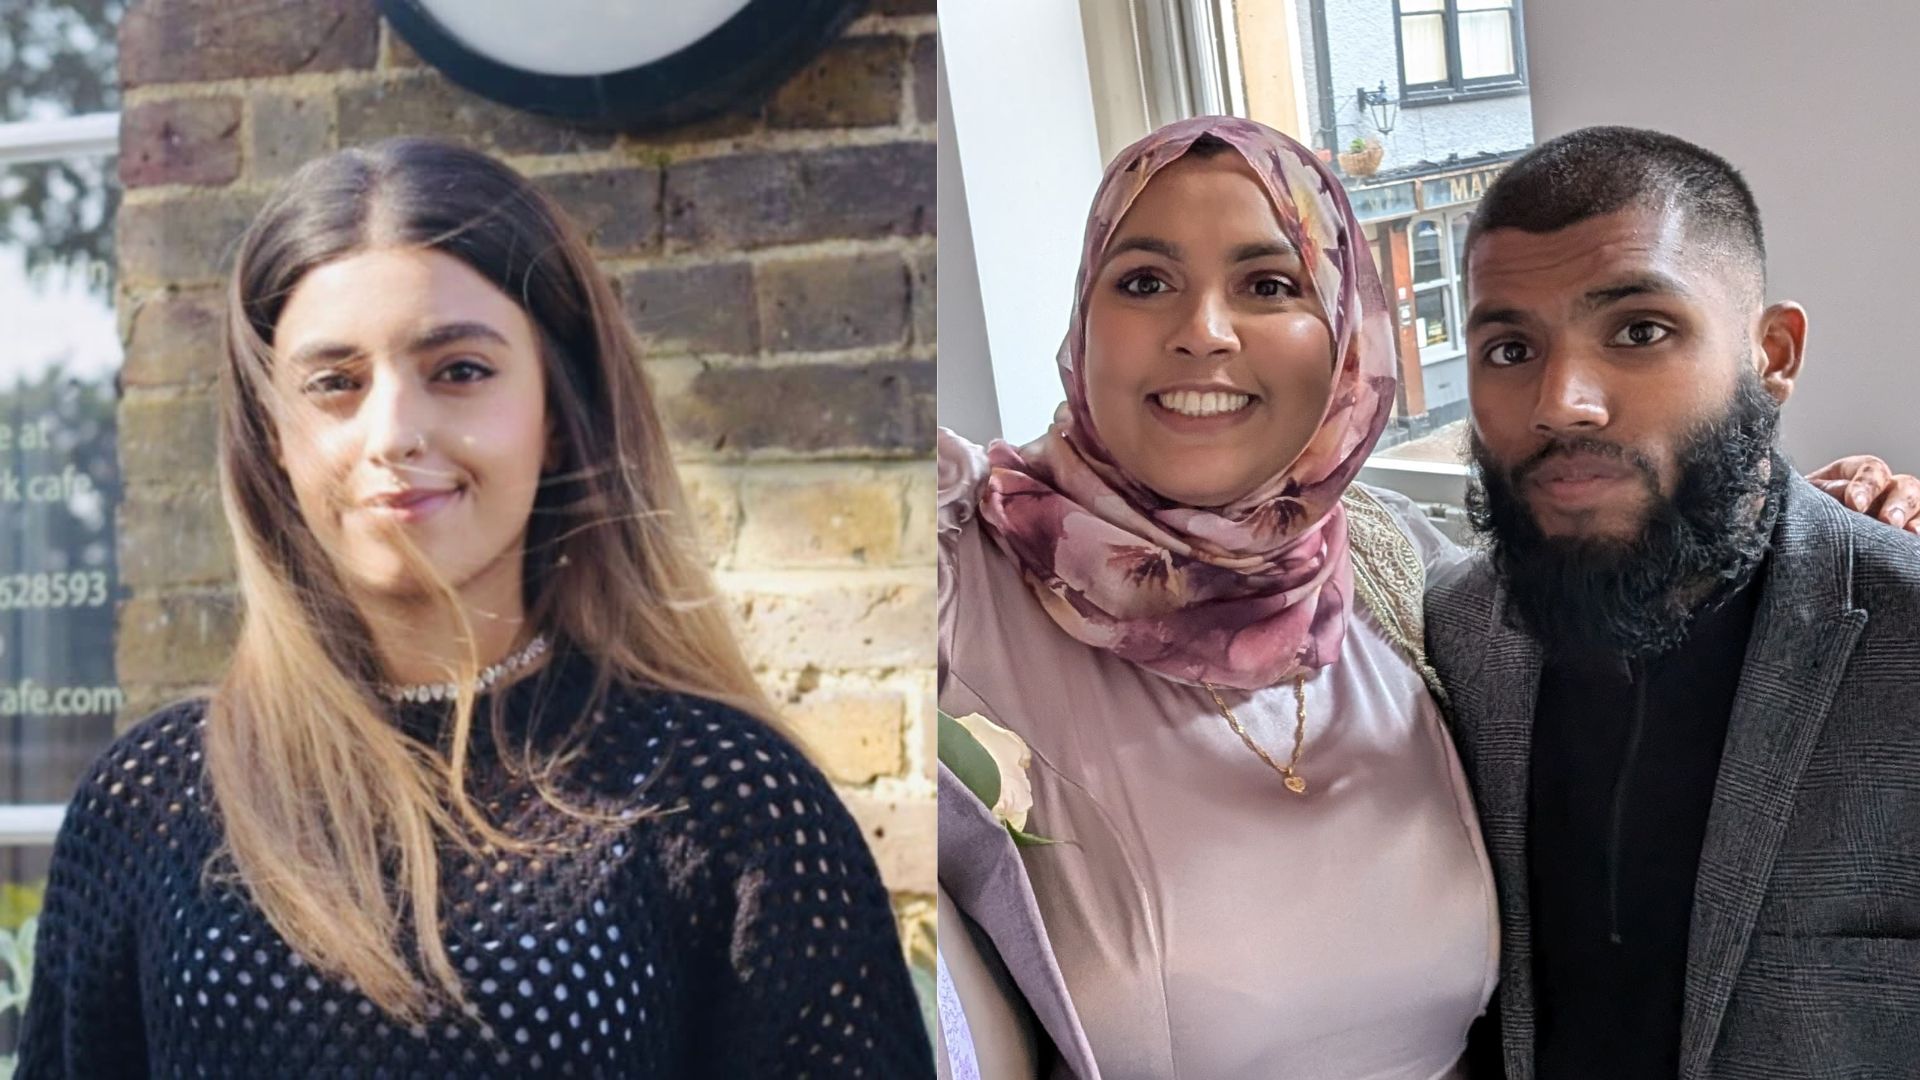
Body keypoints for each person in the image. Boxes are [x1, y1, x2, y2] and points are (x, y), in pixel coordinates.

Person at [935, 116, 1916, 1080]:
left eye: (1640, 331)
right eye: (1144, 281)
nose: (1564, 399)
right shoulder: (960, 567)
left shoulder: (1383, 573)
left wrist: (1859, 522)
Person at [19, 138, 930, 1078]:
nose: (394, 434)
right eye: (334, 383)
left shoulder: (724, 796)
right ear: (271, 436)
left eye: (458, 370)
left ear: (557, 411)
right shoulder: (151, 801)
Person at [1428, 125, 1920, 1079]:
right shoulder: (1442, 638)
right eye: (1510, 346)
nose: (1561, 401)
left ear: (1773, 354)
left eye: (1640, 331)